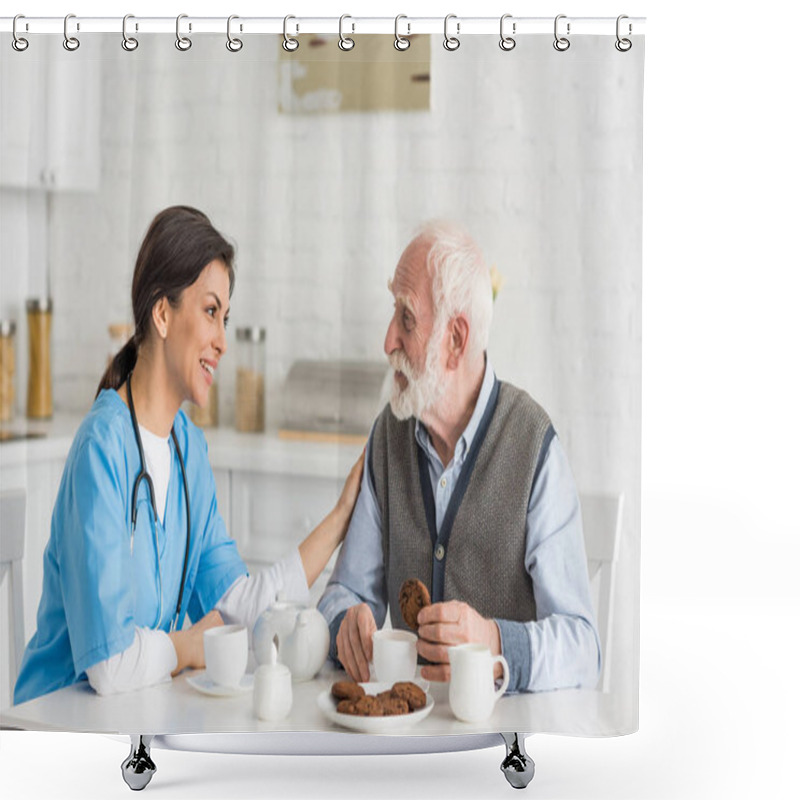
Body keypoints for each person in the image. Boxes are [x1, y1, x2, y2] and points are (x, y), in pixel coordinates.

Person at [14, 206, 363, 705]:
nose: (222, 341)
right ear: (162, 313)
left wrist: (341, 517)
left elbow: (241, 606)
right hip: (56, 725)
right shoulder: (102, 449)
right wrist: (186, 646)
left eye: (225, 317)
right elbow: (110, 667)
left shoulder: (187, 448)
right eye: (210, 311)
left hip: (128, 719)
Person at [318, 220, 600, 693]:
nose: (388, 341)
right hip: (408, 734)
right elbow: (343, 594)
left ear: (455, 340)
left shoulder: (533, 446)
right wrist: (344, 622)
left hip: (501, 740)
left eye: (406, 318)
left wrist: (493, 643)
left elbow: (582, 645)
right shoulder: (389, 437)